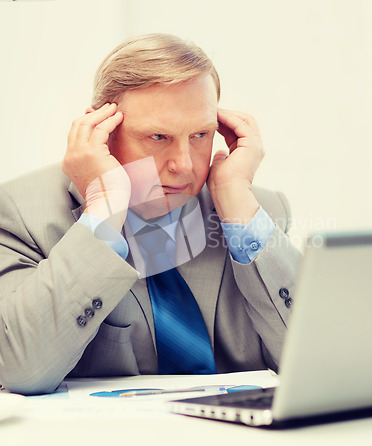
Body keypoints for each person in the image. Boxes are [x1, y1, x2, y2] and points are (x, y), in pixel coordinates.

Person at [0, 34, 301, 395]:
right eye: (158, 137)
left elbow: (319, 361)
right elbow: (21, 369)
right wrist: (103, 212)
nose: (184, 165)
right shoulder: (20, 214)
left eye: (200, 134)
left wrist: (236, 200)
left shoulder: (254, 213)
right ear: (101, 132)